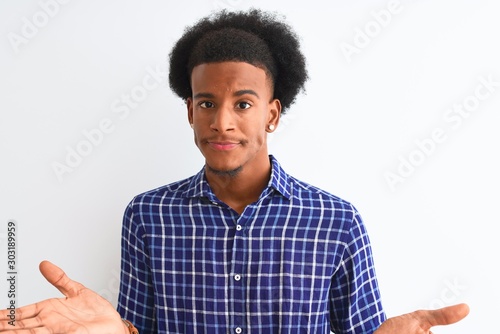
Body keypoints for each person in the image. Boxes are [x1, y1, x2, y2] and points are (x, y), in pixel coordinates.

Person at [0, 9, 469, 334]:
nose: (221, 121)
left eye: (243, 103)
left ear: (272, 113)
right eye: (206, 103)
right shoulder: (148, 215)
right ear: (190, 111)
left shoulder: (336, 222)